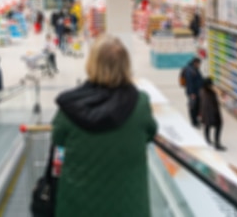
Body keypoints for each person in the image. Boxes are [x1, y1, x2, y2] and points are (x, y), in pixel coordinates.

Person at [52, 35, 158, 216]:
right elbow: (151, 132)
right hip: (128, 206)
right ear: (126, 65)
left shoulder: (70, 105)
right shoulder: (140, 104)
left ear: (91, 63)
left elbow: (58, 139)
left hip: (78, 205)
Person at [200, 78, 226, 151]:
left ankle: (207, 140)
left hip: (205, 112)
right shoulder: (211, 91)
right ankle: (217, 143)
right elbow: (220, 94)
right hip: (212, 113)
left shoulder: (202, 90)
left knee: (207, 126)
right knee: (219, 126)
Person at [183, 57, 204, 127]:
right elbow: (190, 83)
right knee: (193, 107)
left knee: (196, 107)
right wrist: (192, 93)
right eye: (199, 64)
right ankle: (194, 122)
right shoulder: (190, 71)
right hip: (193, 93)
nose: (199, 65)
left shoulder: (194, 69)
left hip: (196, 92)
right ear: (195, 63)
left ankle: (196, 120)